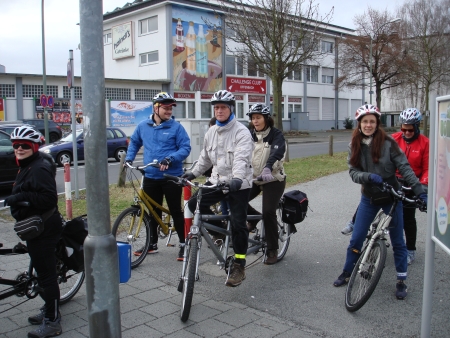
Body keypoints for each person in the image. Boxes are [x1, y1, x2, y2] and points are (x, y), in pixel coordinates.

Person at [333, 104, 427, 300]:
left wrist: (421, 192)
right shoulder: (355, 145)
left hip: (391, 196)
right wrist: (368, 177)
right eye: (365, 122)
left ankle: (401, 281)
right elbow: (353, 172)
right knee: (356, 238)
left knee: (398, 241)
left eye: (372, 122)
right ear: (359, 124)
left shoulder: (389, 143)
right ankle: (347, 271)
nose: (368, 125)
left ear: (377, 124)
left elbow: (405, 168)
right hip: (369, 197)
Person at [183, 90, 254, 287]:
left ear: (231, 109)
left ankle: (239, 264)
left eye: (223, 107)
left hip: (238, 184)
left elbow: (241, 158)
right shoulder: (212, 131)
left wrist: (238, 179)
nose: (219, 111)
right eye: (216, 107)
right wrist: (192, 173)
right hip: (217, 180)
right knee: (192, 204)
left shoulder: (241, 132)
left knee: (238, 222)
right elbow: (205, 158)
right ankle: (221, 233)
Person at [4, 126, 63, 338]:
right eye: (16, 146)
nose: (19, 149)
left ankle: (53, 321)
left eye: (24, 146)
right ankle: (49, 308)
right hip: (37, 226)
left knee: (46, 276)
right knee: (43, 272)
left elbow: (48, 199)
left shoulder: (38, 168)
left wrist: (18, 198)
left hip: (43, 228)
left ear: (34, 146)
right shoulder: (29, 163)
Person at [125, 92, 191, 261]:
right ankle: (152, 244)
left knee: (175, 210)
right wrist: (128, 159)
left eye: (171, 108)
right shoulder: (143, 126)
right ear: (156, 107)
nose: (169, 111)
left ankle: (184, 245)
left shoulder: (176, 127)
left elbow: (185, 148)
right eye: (166, 107)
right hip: (150, 175)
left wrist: (171, 158)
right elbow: (134, 142)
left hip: (171, 175)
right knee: (152, 211)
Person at [245, 103, 286, 265]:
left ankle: (272, 249)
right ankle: (254, 219)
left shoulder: (276, 135)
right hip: (254, 178)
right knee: (235, 199)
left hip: (273, 178)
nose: (255, 121)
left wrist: (268, 168)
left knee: (268, 211)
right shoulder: (248, 135)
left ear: (266, 119)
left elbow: (277, 152)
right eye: (253, 118)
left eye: (258, 118)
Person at [392, 108, 429, 264]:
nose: (406, 132)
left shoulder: (425, 143)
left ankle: (410, 249)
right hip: (394, 179)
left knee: (408, 218)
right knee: (385, 211)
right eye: (404, 128)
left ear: (417, 126)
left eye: (410, 129)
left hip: (412, 183)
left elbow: (427, 168)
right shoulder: (394, 139)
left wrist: (422, 186)